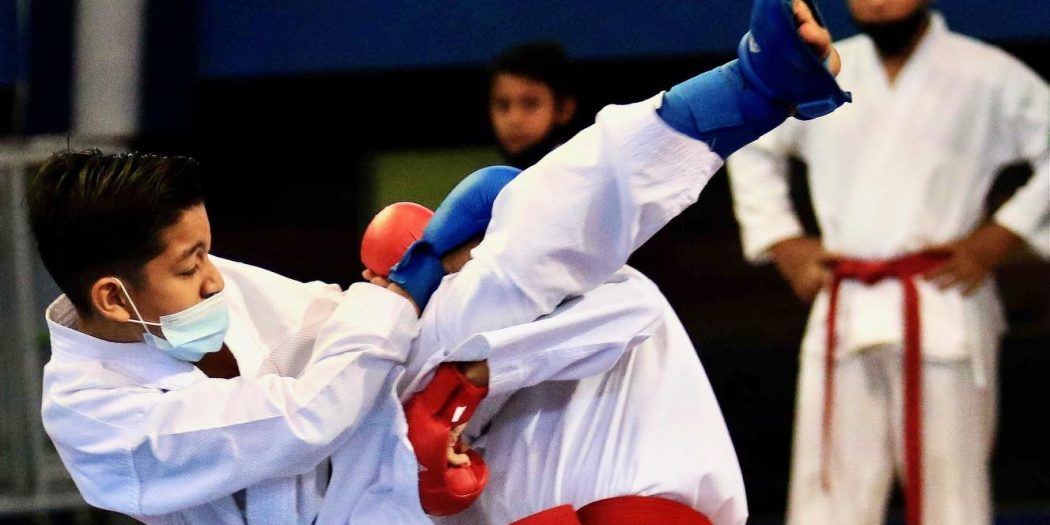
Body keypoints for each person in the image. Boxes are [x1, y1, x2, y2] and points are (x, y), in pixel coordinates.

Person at [725, 1, 1049, 524]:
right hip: (846, 301)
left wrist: (1000, 236)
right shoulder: (821, 70)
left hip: (942, 298)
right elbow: (750, 139)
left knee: (953, 499)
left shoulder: (988, 74)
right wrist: (782, 239)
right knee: (827, 496)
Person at [30, 151, 432, 524]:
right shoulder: (92, 417)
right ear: (114, 299)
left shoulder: (177, 279)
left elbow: (330, 321)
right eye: (191, 268)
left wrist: (390, 293)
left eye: (207, 253)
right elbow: (305, 418)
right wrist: (392, 302)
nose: (216, 280)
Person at [364, 196, 746, 525]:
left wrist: (469, 378)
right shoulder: (443, 346)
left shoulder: (601, 281)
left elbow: (634, 311)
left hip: (638, 509)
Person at [488, 41, 578, 169]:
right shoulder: (500, 178)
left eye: (530, 104)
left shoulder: (579, 176)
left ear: (564, 109)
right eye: (503, 105)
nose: (514, 119)